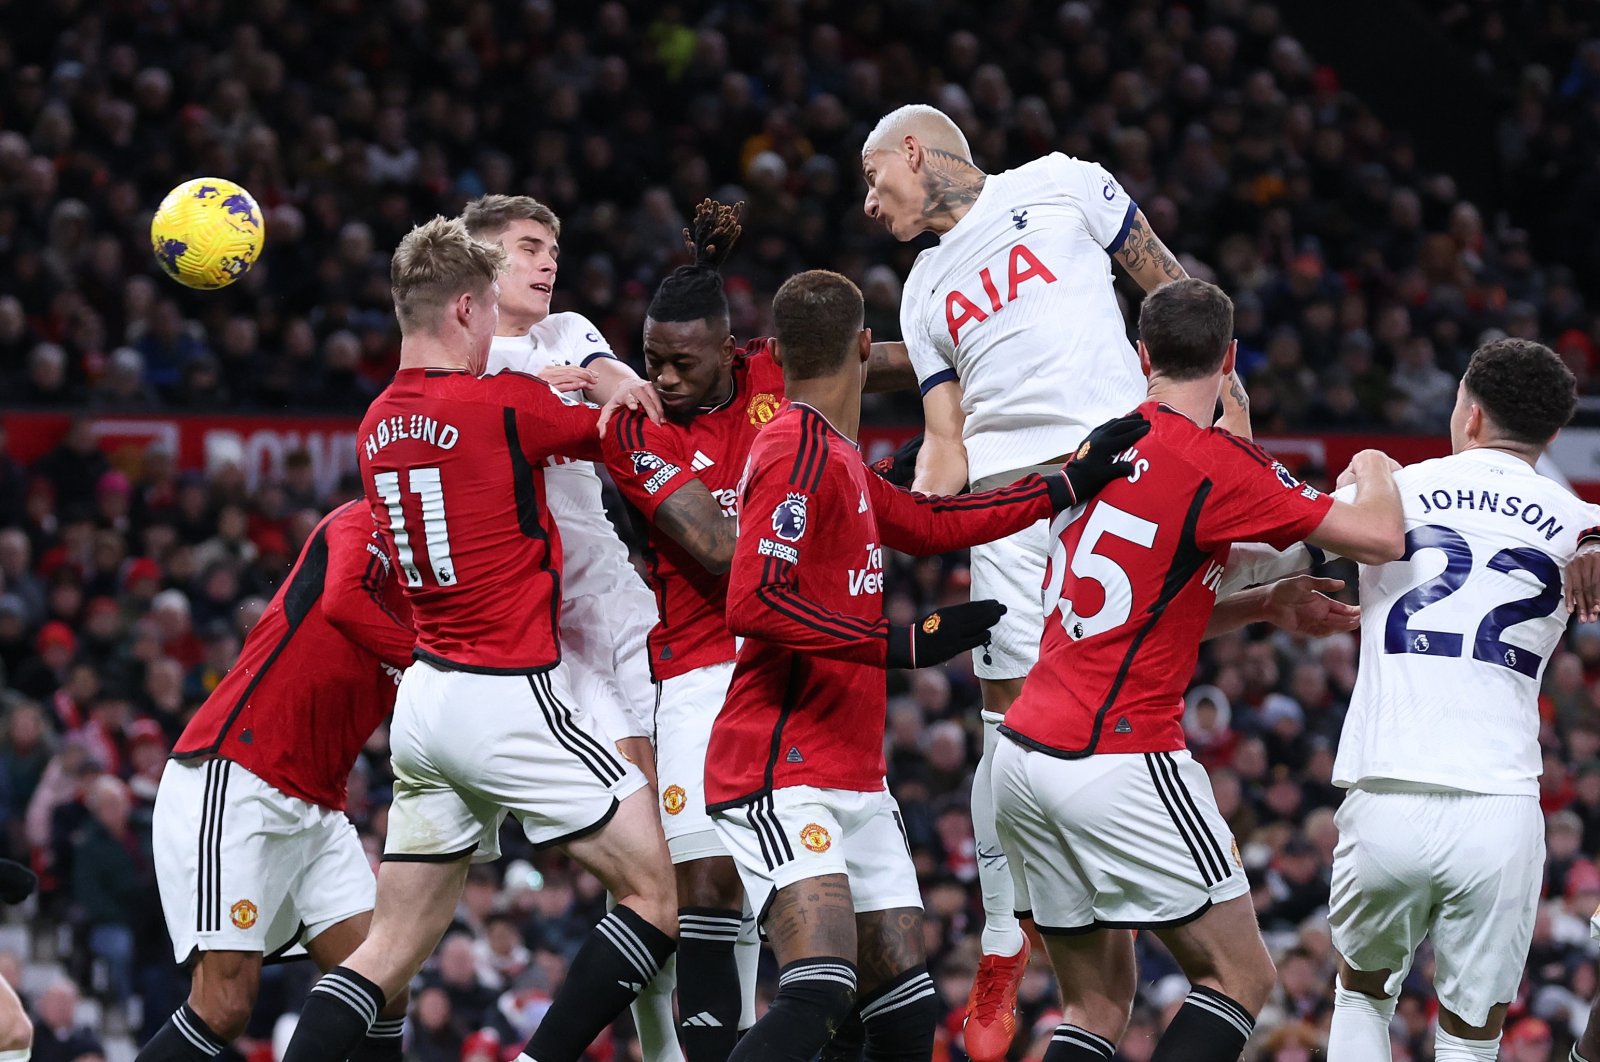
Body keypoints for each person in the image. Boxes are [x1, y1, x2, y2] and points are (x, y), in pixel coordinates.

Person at [859, 103, 1246, 1059]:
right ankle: (1003, 943)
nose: (870, 203)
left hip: (1126, 481)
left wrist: (1232, 419)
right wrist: (899, 511)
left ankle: (1119, 920)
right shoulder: (919, 289)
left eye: (875, 179)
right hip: (1013, 504)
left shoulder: (1064, 182)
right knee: (1010, 719)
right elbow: (946, 443)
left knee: (1121, 699)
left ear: (915, 150)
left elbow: (1172, 288)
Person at [705, 268, 1149, 1062]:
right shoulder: (794, 450)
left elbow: (936, 521)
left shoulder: (835, 455)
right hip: (779, 765)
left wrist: (1066, 483)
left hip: (851, 775)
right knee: (818, 990)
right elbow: (754, 601)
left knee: (905, 1018)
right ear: (866, 350)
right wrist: (899, 644)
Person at [281, 217, 676, 1062]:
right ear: (465, 307)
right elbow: (625, 425)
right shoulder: (505, 403)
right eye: (490, 309)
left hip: (424, 703)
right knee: (656, 894)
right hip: (511, 691)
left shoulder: (374, 425)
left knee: (385, 953)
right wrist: (616, 385)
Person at [990, 278, 1405, 1062]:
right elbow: (1380, 536)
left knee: (1096, 1003)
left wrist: (1260, 606)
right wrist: (1379, 460)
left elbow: (1131, 612)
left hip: (1021, 754)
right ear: (1231, 359)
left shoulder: (1101, 442)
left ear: (1142, 355)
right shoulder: (1216, 464)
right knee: (1241, 975)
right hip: (1113, 753)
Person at [601, 200, 914, 1062]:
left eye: (682, 362)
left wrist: (965, 355)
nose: (662, 378)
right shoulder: (636, 432)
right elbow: (728, 554)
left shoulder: (776, 378)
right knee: (708, 887)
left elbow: (871, 361)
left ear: (731, 348)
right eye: (651, 360)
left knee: (841, 935)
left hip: (802, 668)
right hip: (705, 669)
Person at [1302, 340, 1599, 1062]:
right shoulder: (1577, 524)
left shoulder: (1392, 492)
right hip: (1499, 805)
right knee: (1469, 1043)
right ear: (1555, 435)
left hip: (1387, 787)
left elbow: (1261, 542)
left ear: (1467, 412)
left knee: (1361, 997)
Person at [462, 193, 680, 1062]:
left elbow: (624, 389)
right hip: (535, 636)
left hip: (618, 606)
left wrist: (604, 381)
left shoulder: (567, 332)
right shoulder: (465, 360)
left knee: (665, 842)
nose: (547, 263)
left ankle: (662, 1047)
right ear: (481, 265)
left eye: (552, 248)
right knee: (640, 858)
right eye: (526, 248)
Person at [138, 497, 415, 1062]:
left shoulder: (441, 587)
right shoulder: (366, 520)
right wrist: (437, 658)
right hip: (238, 776)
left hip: (320, 803)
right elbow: (343, 601)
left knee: (384, 986)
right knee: (225, 1005)